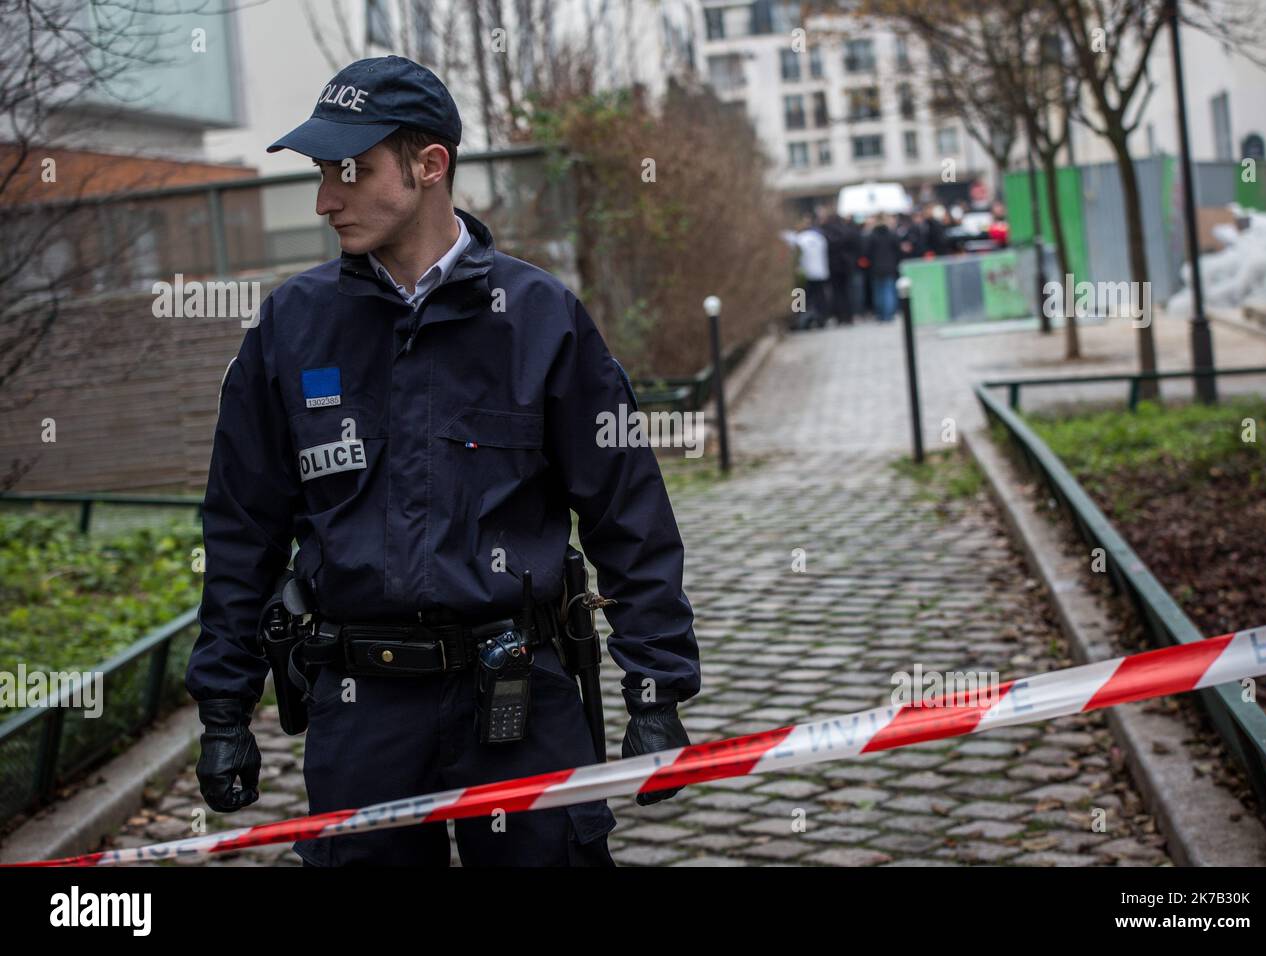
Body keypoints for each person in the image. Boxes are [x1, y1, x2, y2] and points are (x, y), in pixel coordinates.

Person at [186, 55, 701, 867]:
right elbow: (241, 529)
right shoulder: (291, 327)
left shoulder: (540, 320)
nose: (326, 199)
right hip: (362, 712)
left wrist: (658, 686)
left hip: (521, 698)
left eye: (349, 171)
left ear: (431, 166)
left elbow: (627, 512)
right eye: (324, 173)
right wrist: (223, 708)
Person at [793, 213, 831, 328]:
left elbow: (796, 257)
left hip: (805, 273)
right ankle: (822, 318)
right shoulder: (820, 238)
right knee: (820, 296)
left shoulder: (799, 239)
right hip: (820, 272)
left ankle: (800, 319)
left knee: (801, 296)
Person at [862, 217, 903, 322]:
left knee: (878, 292)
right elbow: (898, 251)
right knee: (888, 291)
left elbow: (866, 252)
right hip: (890, 267)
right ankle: (889, 315)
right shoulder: (892, 235)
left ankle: (881, 315)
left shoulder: (872, 236)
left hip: (875, 268)